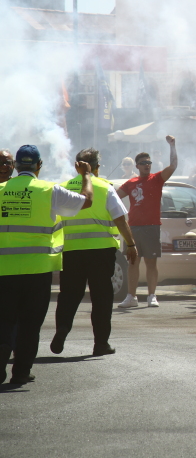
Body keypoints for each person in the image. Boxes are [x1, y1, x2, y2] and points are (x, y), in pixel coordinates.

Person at [0, 145, 93, 385]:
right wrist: (86, 176)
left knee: (4, 320)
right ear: (39, 166)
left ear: (16, 166)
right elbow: (86, 202)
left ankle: (1, 358)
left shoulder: (0, 190)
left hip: (3, 270)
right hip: (37, 269)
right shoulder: (49, 190)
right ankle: (20, 372)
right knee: (31, 323)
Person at [51, 148, 138, 357]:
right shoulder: (104, 187)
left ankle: (62, 329)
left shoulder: (62, 188)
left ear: (76, 166)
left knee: (69, 295)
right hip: (101, 252)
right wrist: (131, 244)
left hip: (71, 251)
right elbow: (120, 219)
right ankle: (101, 343)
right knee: (101, 297)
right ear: (97, 167)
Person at [116, 136, 178, 308]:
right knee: (133, 262)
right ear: (137, 166)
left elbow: (173, 166)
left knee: (151, 262)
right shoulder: (131, 182)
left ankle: (152, 296)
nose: (147, 165)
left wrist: (172, 146)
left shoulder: (157, 179)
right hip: (133, 227)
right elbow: (114, 196)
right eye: (143, 162)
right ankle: (131, 297)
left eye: (149, 162)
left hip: (151, 226)